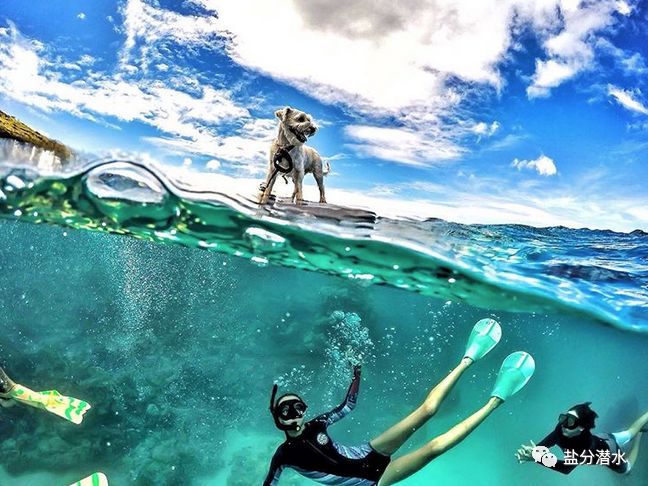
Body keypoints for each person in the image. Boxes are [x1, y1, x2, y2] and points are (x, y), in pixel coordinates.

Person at [263, 318, 536, 485]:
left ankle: (468, 358)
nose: (294, 414)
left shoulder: (316, 424)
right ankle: (496, 399)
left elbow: (348, 406)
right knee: (434, 448)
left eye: (298, 407)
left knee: (427, 410)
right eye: (286, 410)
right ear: (277, 417)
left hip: (369, 452)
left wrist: (356, 374)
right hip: (373, 482)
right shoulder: (283, 455)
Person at [516, 402, 648, 475]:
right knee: (630, 432)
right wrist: (533, 452)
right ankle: (639, 431)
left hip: (611, 455)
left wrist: (537, 458)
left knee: (627, 469)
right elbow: (544, 446)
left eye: (571, 421)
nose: (564, 423)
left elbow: (566, 468)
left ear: (581, 427)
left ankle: (639, 438)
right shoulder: (561, 428)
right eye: (565, 417)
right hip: (605, 438)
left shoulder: (582, 449)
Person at [0, 365, 91, 424]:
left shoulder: (11, 396)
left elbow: (8, 402)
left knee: (11, 389)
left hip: (14, 392)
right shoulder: (11, 396)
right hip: (15, 391)